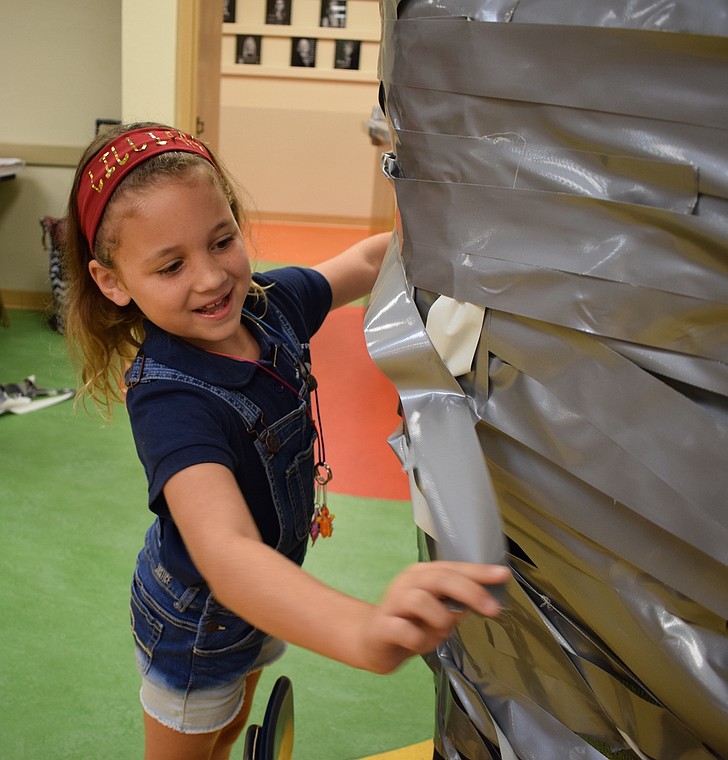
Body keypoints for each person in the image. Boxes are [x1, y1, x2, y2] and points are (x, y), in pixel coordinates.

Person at [62, 123, 509, 760]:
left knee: (235, 711)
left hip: (263, 598)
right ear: (113, 282)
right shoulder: (169, 400)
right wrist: (361, 629)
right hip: (198, 625)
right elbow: (226, 554)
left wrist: (429, 193)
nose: (213, 278)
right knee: (197, 737)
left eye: (222, 241)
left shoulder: (269, 304)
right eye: (171, 265)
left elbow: (362, 263)